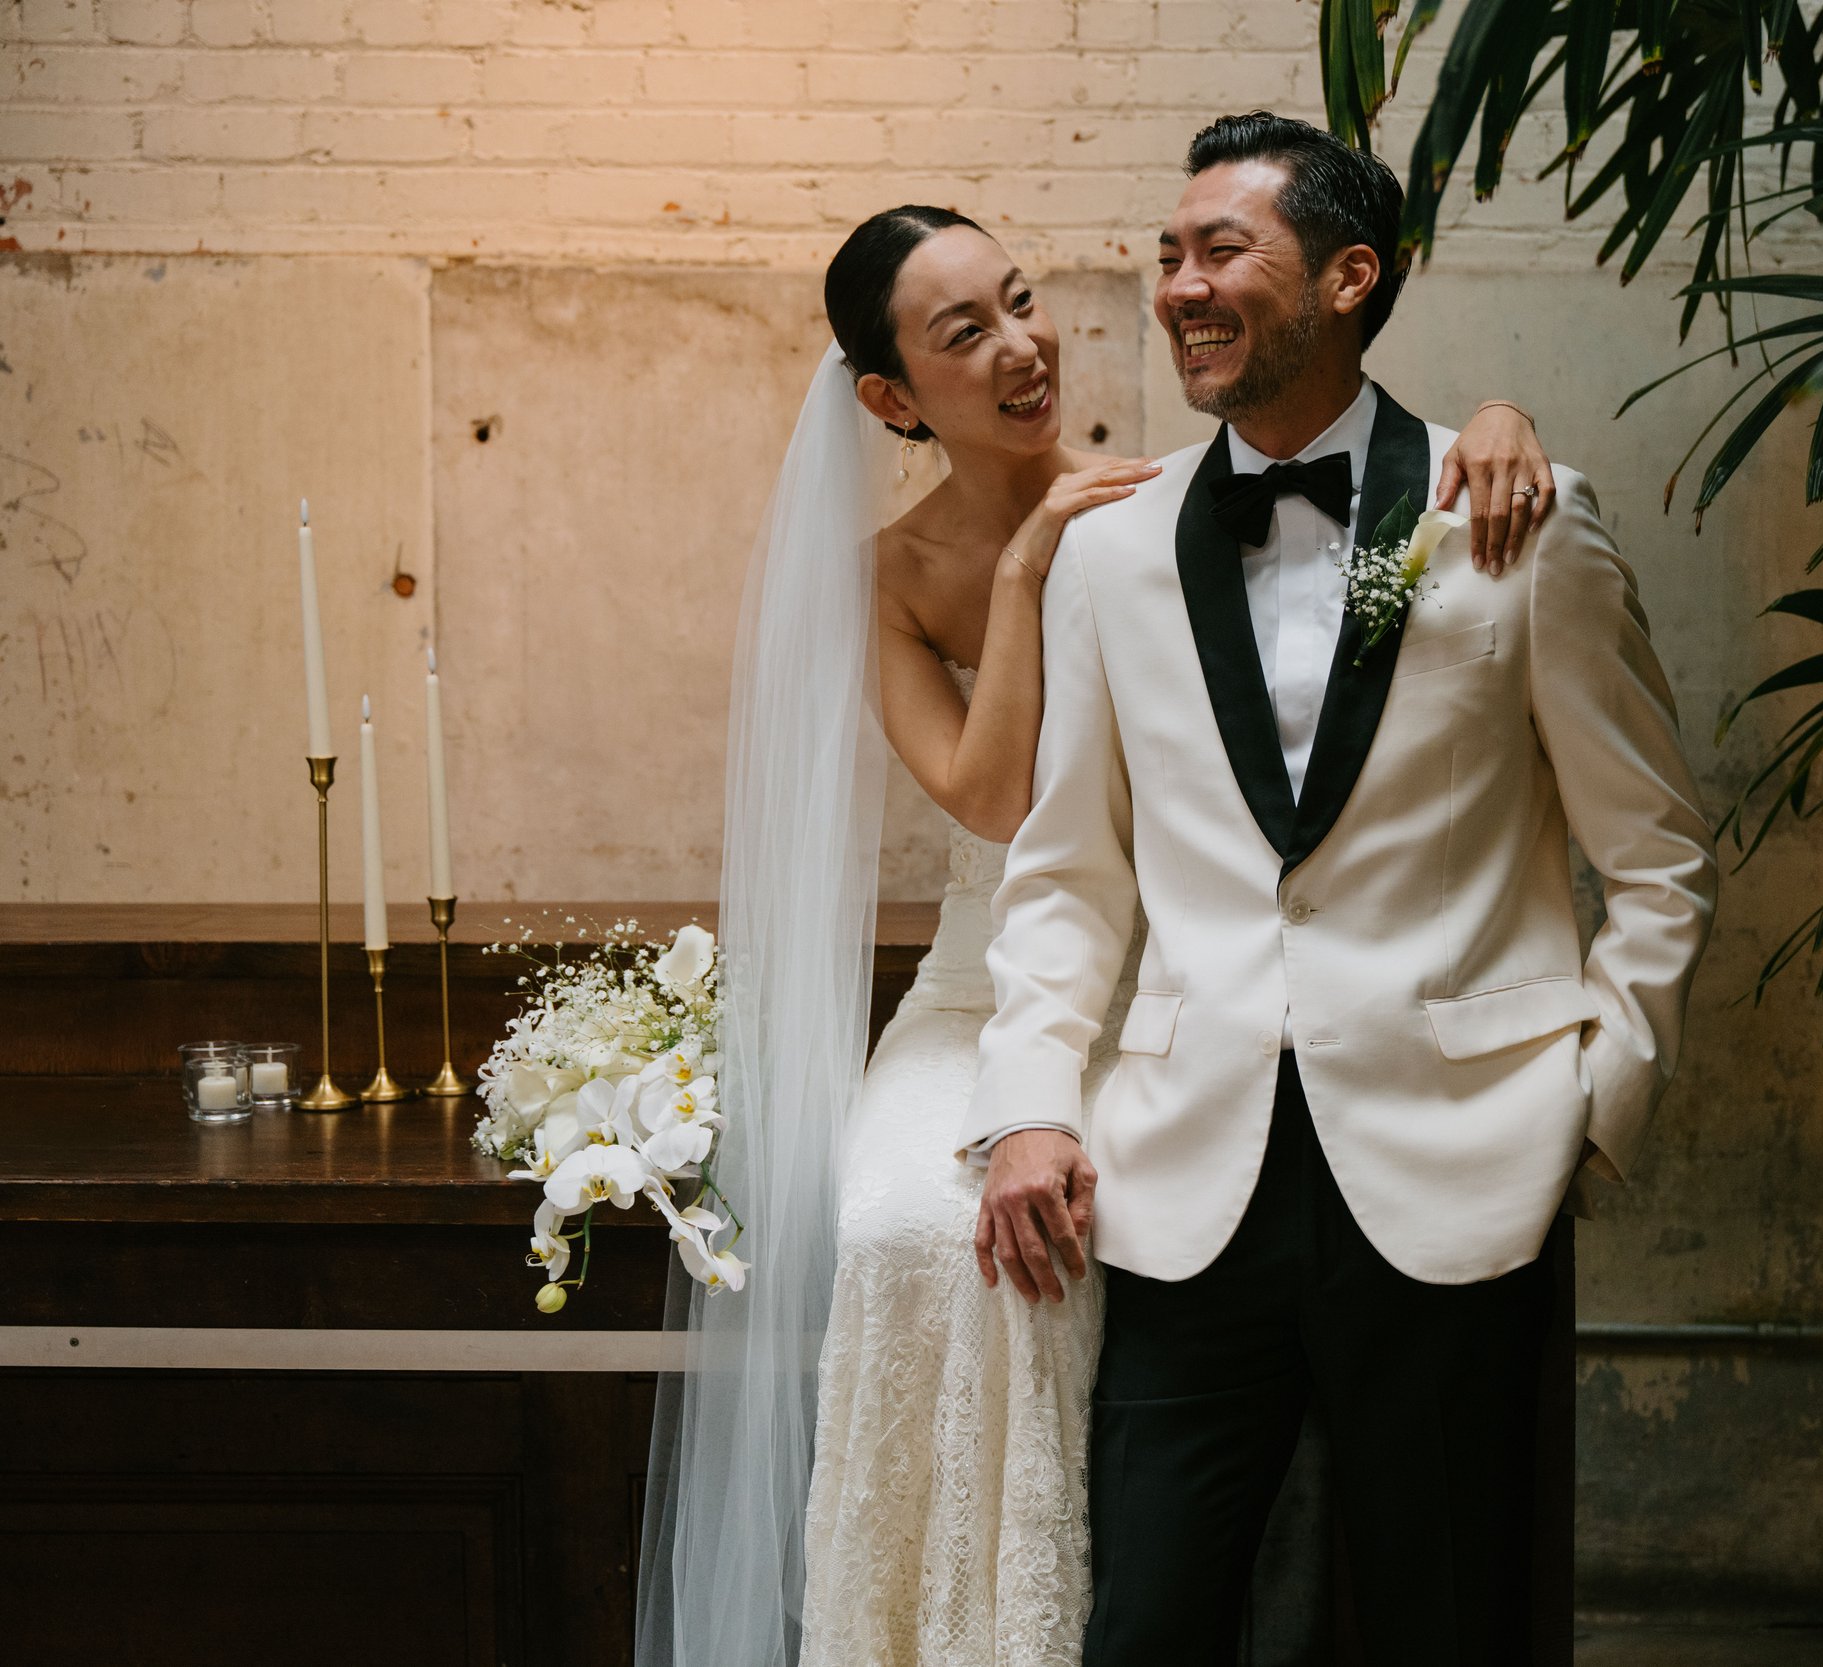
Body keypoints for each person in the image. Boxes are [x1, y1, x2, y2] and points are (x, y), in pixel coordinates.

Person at [637, 200, 1559, 1667]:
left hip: (1185, 971)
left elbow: (1347, 434)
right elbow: (998, 804)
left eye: (1020, 301)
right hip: (988, 979)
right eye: (965, 334)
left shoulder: (1162, 497)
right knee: (903, 1230)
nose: (1021, 348)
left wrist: (1501, 415)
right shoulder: (895, 578)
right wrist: (1021, 576)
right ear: (891, 399)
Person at [963, 113, 1721, 1665]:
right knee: (1150, 1623)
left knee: (1451, 1621)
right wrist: (1032, 1097)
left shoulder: (1514, 518)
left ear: (1349, 276)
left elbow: (1657, 855)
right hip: (1187, 1185)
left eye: (1222, 249)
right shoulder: (1112, 557)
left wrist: (1597, 1097)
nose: (1179, 284)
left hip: (1462, 1165)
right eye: (1168, 254)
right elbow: (1066, 875)